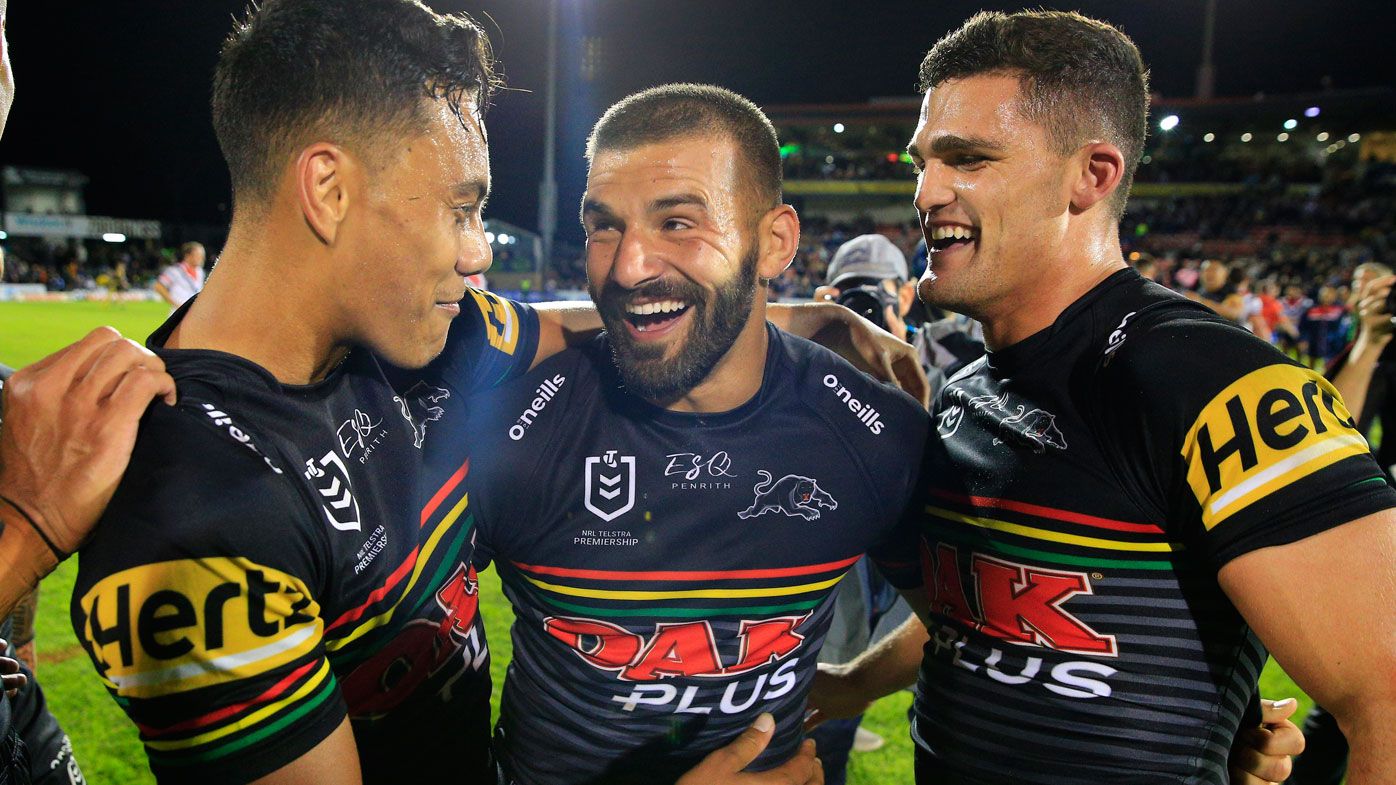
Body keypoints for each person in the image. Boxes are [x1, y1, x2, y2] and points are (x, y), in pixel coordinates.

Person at [65, 4, 912, 784]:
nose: (478, 253)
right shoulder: (191, 526)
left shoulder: (432, 336)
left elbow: (596, 316)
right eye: (462, 208)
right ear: (329, 189)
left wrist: (799, 310)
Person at [811, 10, 1387, 784]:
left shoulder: (1210, 379)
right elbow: (987, 611)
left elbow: (1384, 699)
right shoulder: (970, 389)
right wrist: (850, 682)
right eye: (923, 161)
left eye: (968, 158)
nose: (927, 190)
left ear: (1092, 175)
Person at [453, 84, 927, 785]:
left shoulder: (871, 432)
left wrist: (854, 683)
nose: (626, 267)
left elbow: (993, 604)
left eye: (678, 223)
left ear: (774, 243)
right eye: (602, 227)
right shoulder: (513, 427)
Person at [152, 242, 206, 313]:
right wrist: (175, 304)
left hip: (194, 314)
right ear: (188, 256)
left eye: (202, 256)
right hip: (178, 314)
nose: (201, 258)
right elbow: (158, 287)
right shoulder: (175, 271)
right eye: (198, 255)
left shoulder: (200, 272)